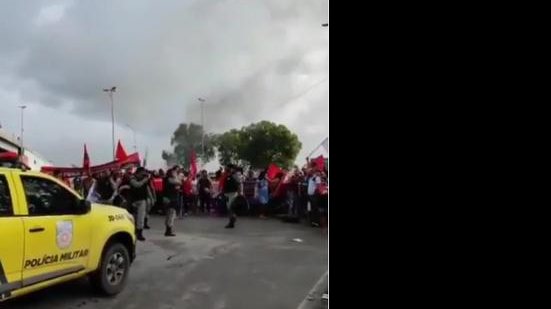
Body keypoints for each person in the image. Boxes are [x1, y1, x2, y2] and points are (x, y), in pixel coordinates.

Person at [130, 167, 151, 241]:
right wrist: (144, 180)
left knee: (141, 218)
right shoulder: (132, 178)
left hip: (142, 200)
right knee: (133, 218)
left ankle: (139, 233)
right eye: (142, 173)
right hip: (133, 200)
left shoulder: (144, 179)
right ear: (138, 173)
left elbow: (148, 189)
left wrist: (151, 198)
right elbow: (137, 185)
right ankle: (133, 231)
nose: (143, 175)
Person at [223, 164, 242, 228]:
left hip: (232, 194)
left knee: (231, 208)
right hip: (228, 194)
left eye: (227, 168)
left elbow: (238, 184)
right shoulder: (227, 175)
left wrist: (239, 194)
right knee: (229, 208)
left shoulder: (235, 175)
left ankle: (232, 220)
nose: (225, 169)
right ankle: (231, 222)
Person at [163, 167, 180, 236]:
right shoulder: (169, 179)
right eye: (174, 172)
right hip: (170, 198)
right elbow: (179, 183)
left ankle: (168, 230)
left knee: (169, 214)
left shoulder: (167, 179)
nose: (176, 173)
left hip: (170, 198)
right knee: (171, 214)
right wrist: (177, 177)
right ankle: (168, 230)